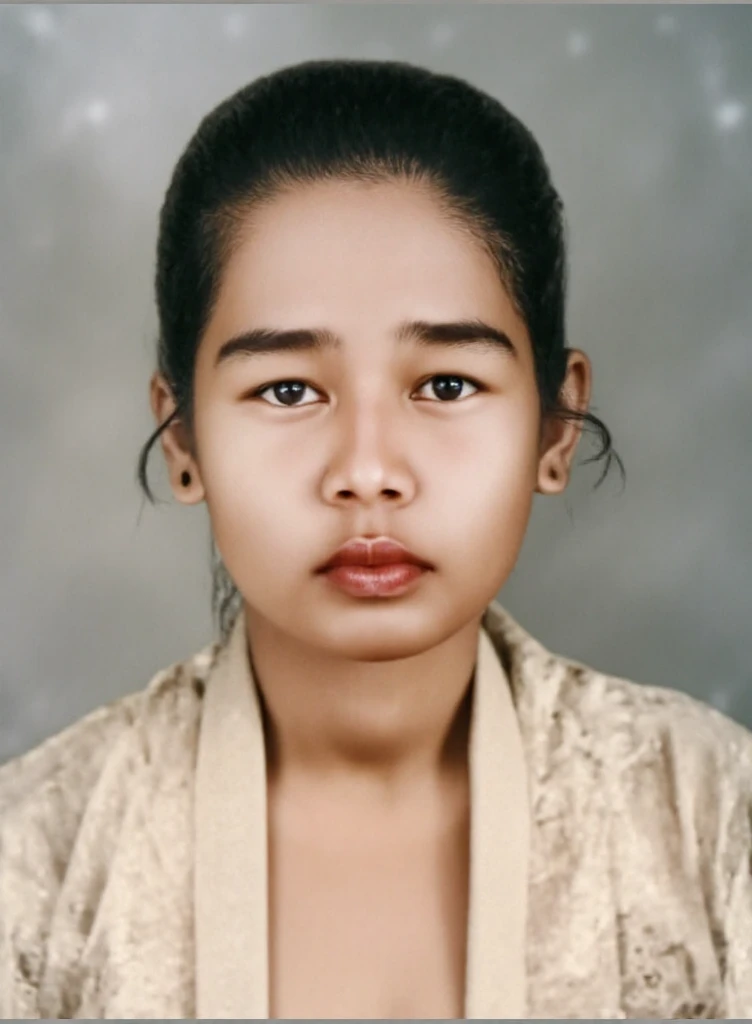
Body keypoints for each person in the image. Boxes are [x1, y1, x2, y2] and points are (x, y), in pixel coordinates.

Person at [1, 58, 750, 1021]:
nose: (365, 469)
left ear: (556, 426)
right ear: (181, 436)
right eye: (287, 390)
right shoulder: (34, 870)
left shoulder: (713, 821)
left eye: (444, 384)